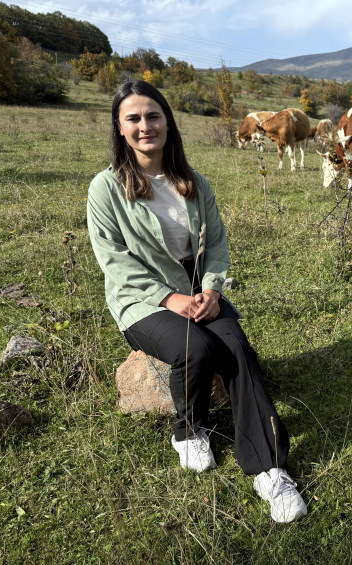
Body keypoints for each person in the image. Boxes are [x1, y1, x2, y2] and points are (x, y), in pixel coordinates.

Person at [86, 80, 307, 523]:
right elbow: (114, 262)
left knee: (239, 351)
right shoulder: (106, 189)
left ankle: (270, 470)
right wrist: (169, 298)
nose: (145, 125)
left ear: (167, 122)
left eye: (153, 115)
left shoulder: (193, 182)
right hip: (140, 299)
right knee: (197, 347)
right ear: (120, 127)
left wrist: (210, 289)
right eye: (133, 118)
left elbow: (218, 244)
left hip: (198, 287)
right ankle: (188, 429)